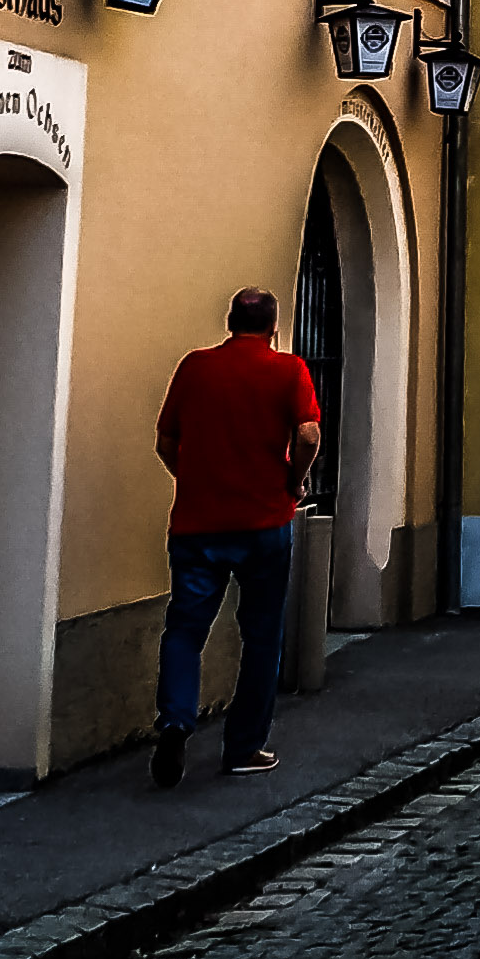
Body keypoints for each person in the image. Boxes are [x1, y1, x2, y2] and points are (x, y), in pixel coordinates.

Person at [149, 287, 321, 788]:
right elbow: (308, 434)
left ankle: (177, 722)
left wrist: (190, 477)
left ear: (229, 321)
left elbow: (165, 440)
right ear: (273, 327)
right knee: (261, 637)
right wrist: (294, 478)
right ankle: (244, 747)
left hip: (197, 525)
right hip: (264, 523)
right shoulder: (288, 370)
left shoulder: (195, 367)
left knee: (184, 629)